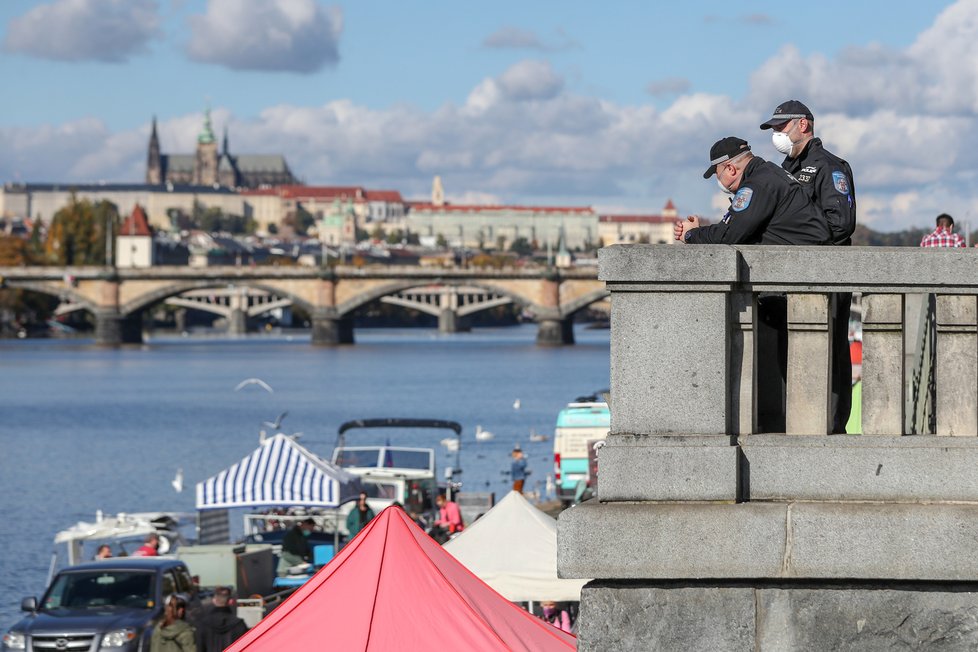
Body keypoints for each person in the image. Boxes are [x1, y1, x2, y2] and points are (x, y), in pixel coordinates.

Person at [676, 137, 830, 432]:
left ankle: (775, 431)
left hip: (787, 290)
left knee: (774, 374)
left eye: (717, 174)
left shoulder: (757, 184)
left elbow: (731, 234)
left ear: (731, 169)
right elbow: (738, 227)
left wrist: (692, 236)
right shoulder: (769, 174)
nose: (718, 181)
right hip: (798, 281)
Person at [761, 99, 858, 434]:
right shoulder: (780, 172)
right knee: (786, 354)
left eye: (780, 127)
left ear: (803, 124)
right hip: (784, 281)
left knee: (828, 353)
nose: (776, 134)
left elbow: (840, 224)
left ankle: (831, 425)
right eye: (774, 128)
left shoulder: (829, 167)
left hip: (824, 279)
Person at [195, 586, 248, 652]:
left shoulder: (203, 624)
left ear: (214, 600)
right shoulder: (239, 624)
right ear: (230, 601)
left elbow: (200, 648)